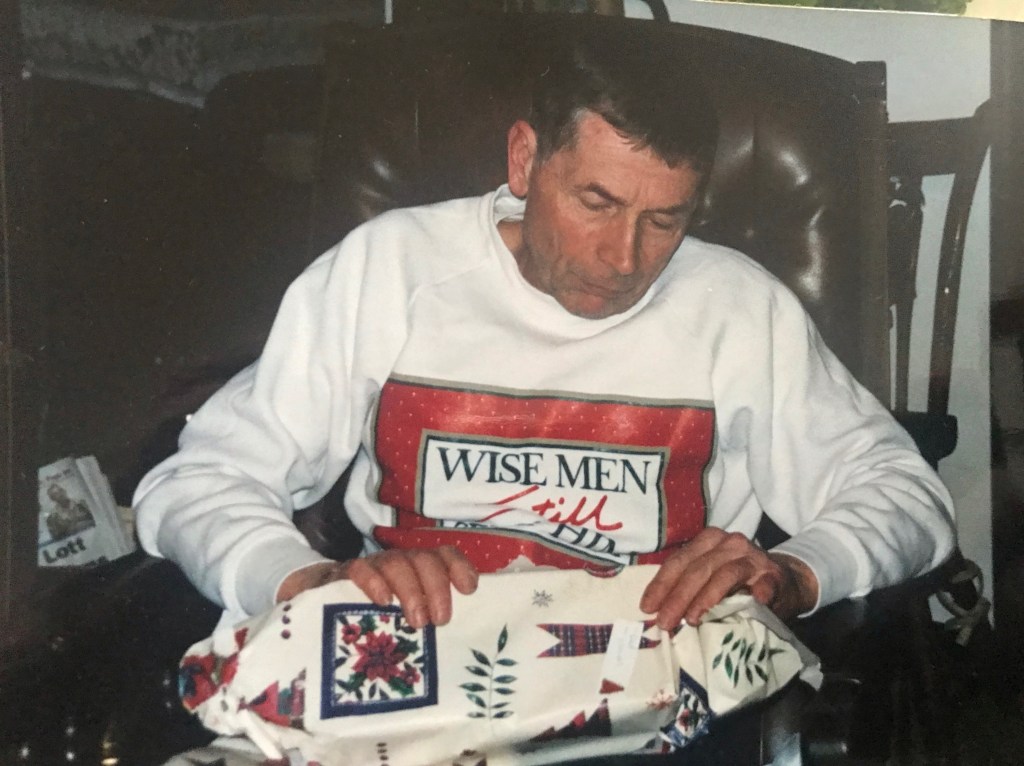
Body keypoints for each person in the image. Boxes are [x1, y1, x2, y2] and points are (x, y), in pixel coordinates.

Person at [134, 27, 955, 632]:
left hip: (654, 691)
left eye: (664, 220)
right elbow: (197, 482)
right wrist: (307, 583)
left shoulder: (739, 308)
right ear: (525, 160)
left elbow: (906, 494)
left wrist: (797, 573)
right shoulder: (392, 269)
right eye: (596, 202)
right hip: (420, 671)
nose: (623, 259)